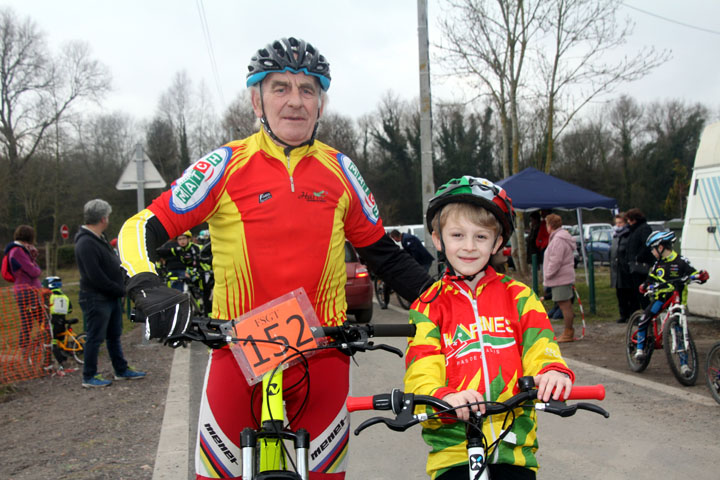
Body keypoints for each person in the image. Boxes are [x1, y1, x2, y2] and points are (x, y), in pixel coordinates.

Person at [119, 37, 430, 480]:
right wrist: (150, 287)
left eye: (308, 90)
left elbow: (384, 255)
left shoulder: (341, 169)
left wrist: (446, 302)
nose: (295, 101)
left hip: (322, 353)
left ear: (321, 104)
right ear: (256, 99)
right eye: (281, 87)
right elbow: (138, 229)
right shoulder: (226, 165)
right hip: (237, 352)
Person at [404, 176, 574, 480]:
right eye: (457, 235)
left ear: (497, 243)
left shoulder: (519, 297)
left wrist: (550, 370)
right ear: (438, 239)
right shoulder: (428, 305)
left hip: (514, 449)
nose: (469, 247)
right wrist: (440, 394)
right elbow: (421, 365)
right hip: (453, 453)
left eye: (481, 237)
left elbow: (541, 344)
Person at [75, 199, 146, 388]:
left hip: (110, 296)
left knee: (114, 335)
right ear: (103, 218)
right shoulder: (86, 243)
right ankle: (89, 375)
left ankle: (120, 369)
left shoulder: (100, 238)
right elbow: (94, 276)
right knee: (95, 336)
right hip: (96, 297)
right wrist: (119, 289)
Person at [634, 231, 708, 370]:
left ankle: (684, 364)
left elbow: (693, 273)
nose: (652, 252)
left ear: (660, 247)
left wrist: (700, 276)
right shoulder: (658, 265)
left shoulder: (681, 262)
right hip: (661, 299)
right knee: (645, 318)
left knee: (679, 330)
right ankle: (639, 349)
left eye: (652, 248)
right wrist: (645, 285)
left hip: (677, 301)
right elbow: (650, 279)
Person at [4, 225, 43, 354]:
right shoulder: (18, 252)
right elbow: (32, 271)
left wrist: (32, 258)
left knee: (31, 322)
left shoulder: (19, 251)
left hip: (26, 290)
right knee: (41, 320)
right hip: (28, 291)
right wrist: (37, 268)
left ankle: (30, 349)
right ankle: (30, 350)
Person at [542, 214, 577, 343]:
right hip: (561, 277)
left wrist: (548, 274)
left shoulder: (558, 240)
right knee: (564, 304)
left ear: (550, 225)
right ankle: (568, 331)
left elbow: (555, 260)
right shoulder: (558, 238)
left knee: (565, 305)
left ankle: (568, 332)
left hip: (560, 277)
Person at [625, 208, 654, 309]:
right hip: (633, 263)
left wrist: (638, 257)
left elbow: (646, 245)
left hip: (640, 264)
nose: (628, 222)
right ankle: (639, 311)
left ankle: (647, 311)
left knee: (642, 291)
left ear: (635, 219)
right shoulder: (634, 230)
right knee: (636, 291)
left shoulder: (643, 229)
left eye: (630, 219)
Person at [44, 275, 73, 369]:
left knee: (53, 342)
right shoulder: (65, 296)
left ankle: (61, 362)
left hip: (53, 321)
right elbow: (70, 310)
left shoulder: (50, 296)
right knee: (61, 341)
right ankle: (64, 358)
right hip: (62, 321)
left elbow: (45, 308)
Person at [610, 213, 634, 323]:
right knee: (619, 294)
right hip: (616, 269)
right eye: (617, 223)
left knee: (629, 293)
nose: (618, 225)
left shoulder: (628, 235)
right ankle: (623, 314)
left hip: (625, 269)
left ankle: (631, 314)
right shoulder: (615, 235)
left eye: (620, 223)